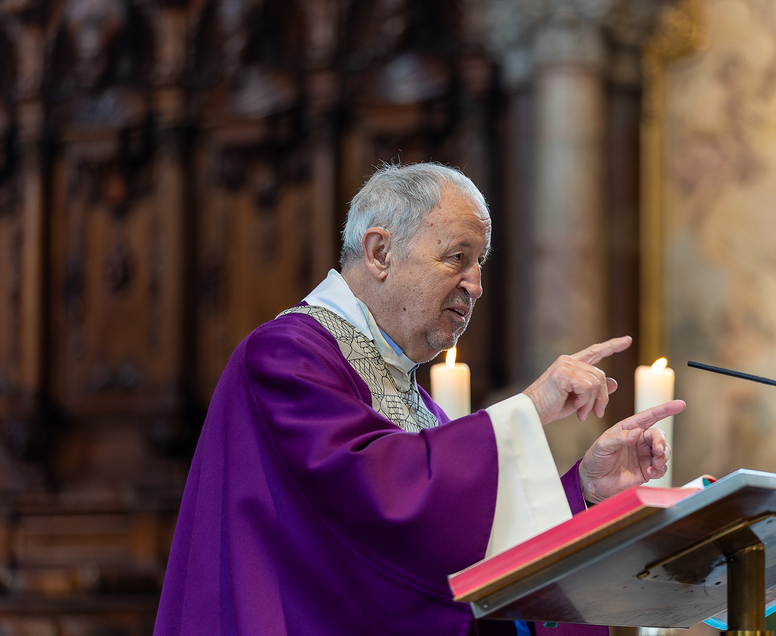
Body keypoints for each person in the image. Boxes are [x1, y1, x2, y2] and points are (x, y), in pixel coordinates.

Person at [153, 162, 684, 635]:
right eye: (458, 258)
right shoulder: (286, 356)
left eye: (480, 263)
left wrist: (583, 491)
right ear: (380, 253)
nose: (475, 285)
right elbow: (378, 499)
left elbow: (470, 544)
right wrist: (529, 407)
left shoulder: (420, 404)